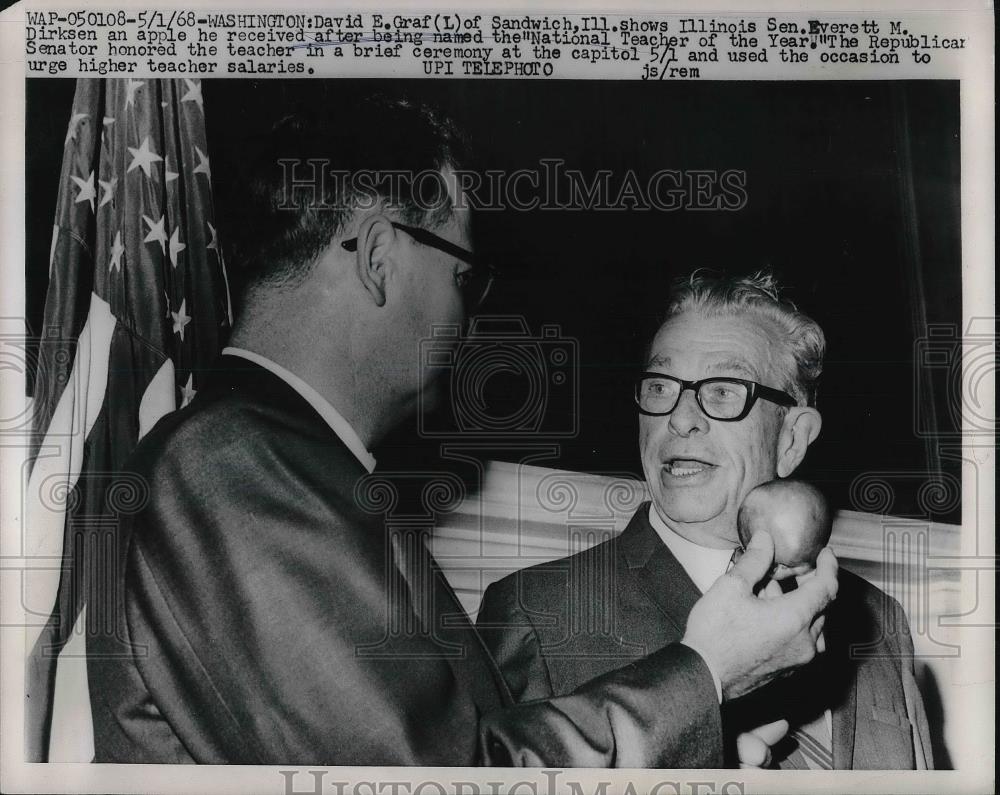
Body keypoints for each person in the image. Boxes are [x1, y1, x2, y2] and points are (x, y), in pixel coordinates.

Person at [86, 97, 838, 766]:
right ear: (381, 258)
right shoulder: (233, 468)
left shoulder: (296, 471)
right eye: (461, 276)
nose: (466, 318)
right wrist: (704, 672)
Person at [477, 271, 933, 769]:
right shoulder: (535, 615)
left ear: (792, 440)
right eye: (659, 386)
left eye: (722, 390)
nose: (679, 417)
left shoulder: (880, 621)